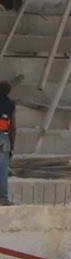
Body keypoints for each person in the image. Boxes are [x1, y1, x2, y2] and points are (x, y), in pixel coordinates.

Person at [0, 79, 14, 207]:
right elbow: (12, 127)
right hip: (4, 137)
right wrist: (12, 146)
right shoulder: (10, 104)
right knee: (3, 168)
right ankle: (3, 198)